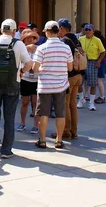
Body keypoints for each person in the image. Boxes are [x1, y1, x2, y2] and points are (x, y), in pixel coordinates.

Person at [0, 19, 32, 159]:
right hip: (12, 83)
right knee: (9, 117)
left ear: (1, 29)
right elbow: (29, 63)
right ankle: (6, 149)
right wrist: (20, 72)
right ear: (14, 31)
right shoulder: (18, 44)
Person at [32, 21, 73, 150]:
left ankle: (43, 140)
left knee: (43, 114)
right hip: (61, 85)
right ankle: (59, 140)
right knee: (60, 113)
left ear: (47, 32)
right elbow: (70, 67)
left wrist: (45, 69)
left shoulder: (41, 48)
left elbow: (35, 68)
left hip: (45, 85)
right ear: (57, 31)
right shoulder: (65, 47)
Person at [56, 18, 83, 140]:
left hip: (69, 76)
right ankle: (74, 131)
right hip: (78, 75)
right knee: (73, 104)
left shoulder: (64, 41)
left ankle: (66, 131)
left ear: (62, 29)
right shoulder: (77, 40)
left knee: (65, 104)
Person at [17, 29, 40, 134]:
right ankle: (22, 123)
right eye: (27, 38)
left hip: (36, 79)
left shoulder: (39, 49)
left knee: (35, 103)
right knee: (24, 102)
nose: (30, 40)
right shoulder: (21, 49)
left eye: (32, 38)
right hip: (25, 78)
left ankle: (36, 125)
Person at [78, 24, 105, 111]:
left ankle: (91, 103)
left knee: (92, 83)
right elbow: (76, 47)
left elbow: (103, 52)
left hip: (92, 62)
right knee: (79, 81)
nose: (88, 31)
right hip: (82, 61)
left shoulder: (97, 40)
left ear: (93, 31)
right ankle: (81, 99)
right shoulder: (81, 39)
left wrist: (99, 61)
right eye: (86, 29)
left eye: (90, 29)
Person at [94, 30, 106, 104]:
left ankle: (102, 96)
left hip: (99, 62)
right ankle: (101, 96)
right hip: (102, 62)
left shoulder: (98, 42)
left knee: (99, 80)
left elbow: (100, 52)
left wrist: (98, 61)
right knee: (99, 80)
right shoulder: (103, 41)